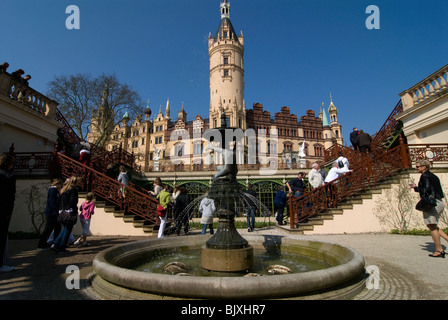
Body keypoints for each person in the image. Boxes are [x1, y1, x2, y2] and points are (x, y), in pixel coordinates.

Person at [410, 160, 446, 258]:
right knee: (433, 225)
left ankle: (439, 250)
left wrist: (416, 188)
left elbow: (426, 190)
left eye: (418, 167)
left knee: (432, 226)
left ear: (424, 167)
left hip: (431, 203)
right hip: (438, 202)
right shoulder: (433, 176)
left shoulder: (425, 176)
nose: (416, 168)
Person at [52, 176, 80, 253]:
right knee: (67, 230)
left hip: (62, 211)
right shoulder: (73, 189)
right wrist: (73, 209)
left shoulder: (64, 189)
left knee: (64, 229)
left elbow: (59, 201)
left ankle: (56, 244)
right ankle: (61, 247)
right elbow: (73, 201)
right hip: (69, 211)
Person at [0, 153, 16, 273]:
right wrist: (8, 212)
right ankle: (1, 264)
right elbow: (10, 197)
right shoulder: (9, 177)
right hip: (4, 211)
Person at [37, 178, 63, 249]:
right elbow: (52, 202)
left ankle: (55, 243)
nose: (60, 186)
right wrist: (55, 211)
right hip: (52, 212)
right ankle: (43, 244)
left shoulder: (54, 191)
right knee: (49, 228)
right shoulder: (53, 191)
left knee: (55, 227)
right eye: (60, 184)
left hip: (53, 212)